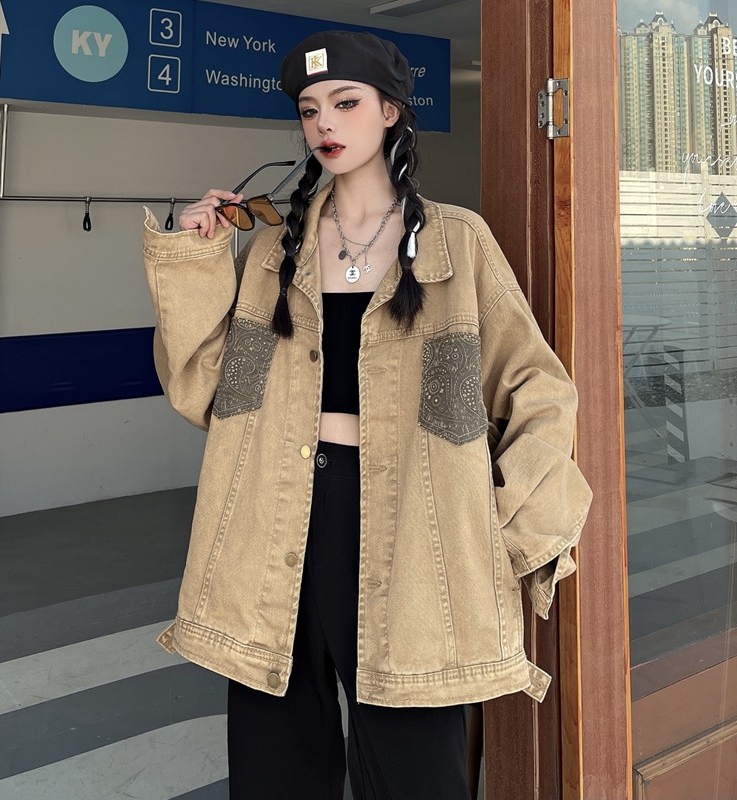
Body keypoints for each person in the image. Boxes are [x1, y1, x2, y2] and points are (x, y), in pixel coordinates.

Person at [143, 29, 592, 800]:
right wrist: (198, 260)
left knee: (416, 766)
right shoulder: (275, 249)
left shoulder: (455, 242)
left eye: (346, 103)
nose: (325, 122)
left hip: (415, 524)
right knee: (275, 761)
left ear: (391, 113)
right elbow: (212, 393)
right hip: (275, 516)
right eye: (310, 108)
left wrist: (505, 526)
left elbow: (538, 389)